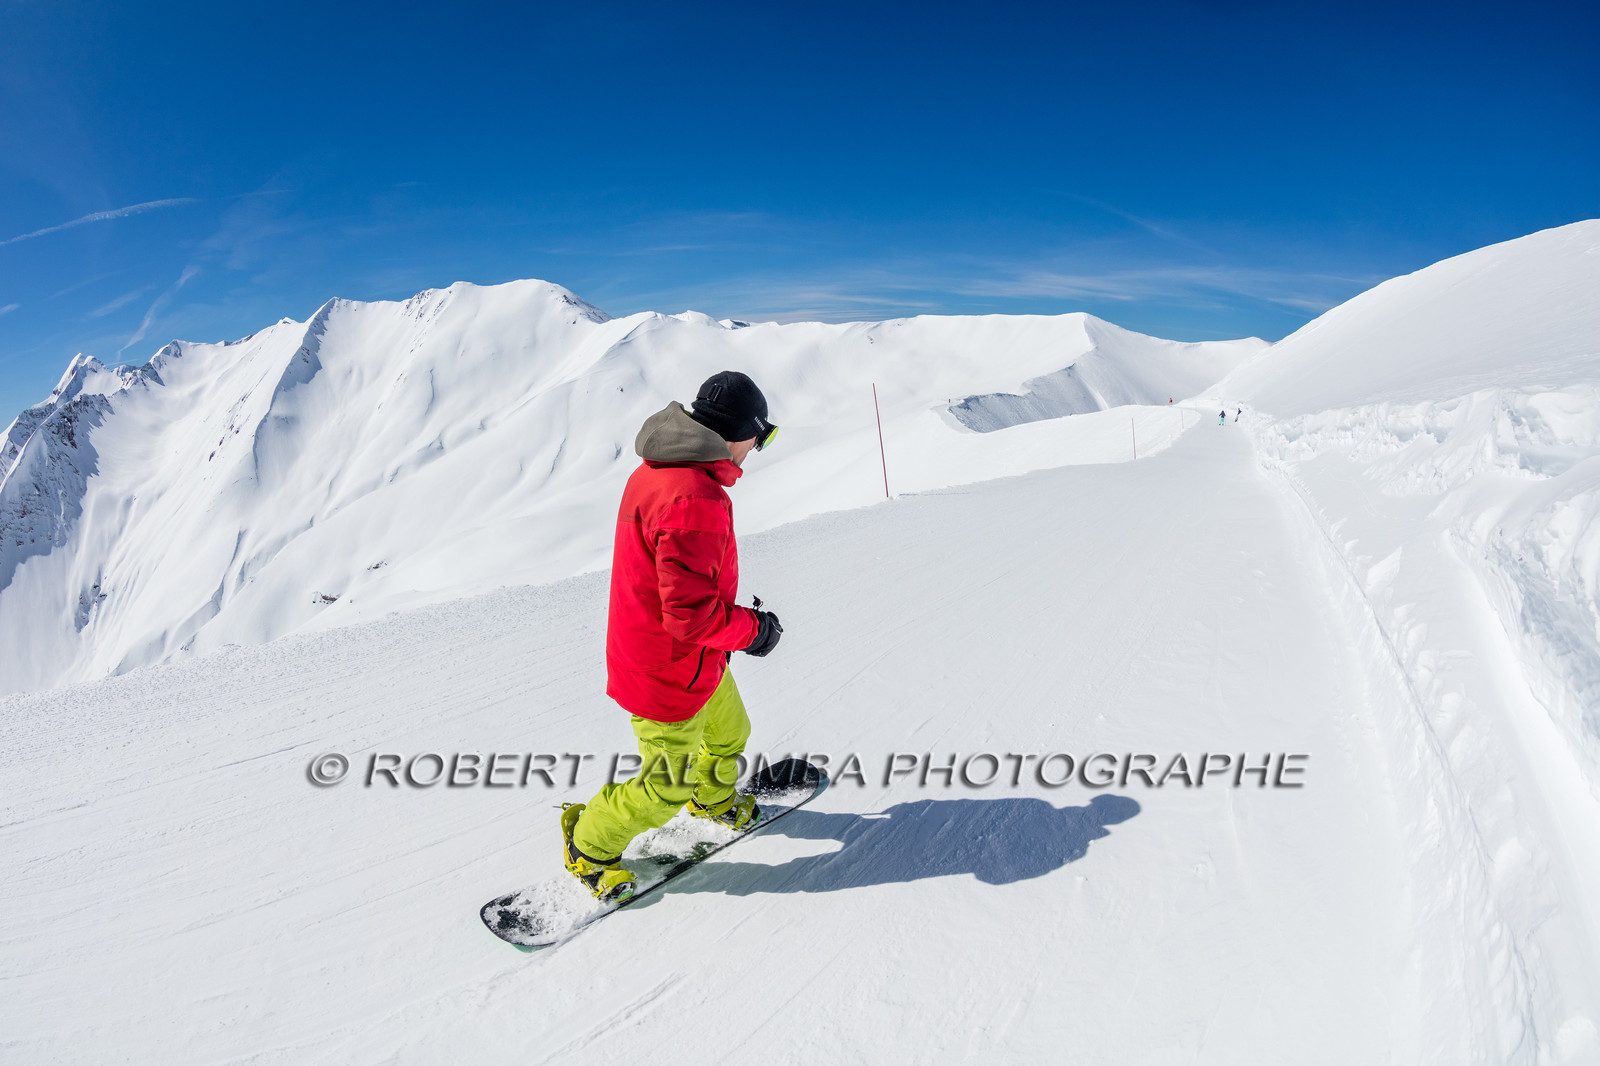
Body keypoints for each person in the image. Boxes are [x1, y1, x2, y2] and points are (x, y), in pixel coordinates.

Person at [560, 371, 784, 902]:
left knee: (730, 733)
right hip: (668, 669)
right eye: (764, 435)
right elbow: (690, 616)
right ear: (740, 432)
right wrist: (754, 631)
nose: (759, 446)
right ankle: (588, 844)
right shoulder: (694, 499)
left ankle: (711, 799)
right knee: (665, 786)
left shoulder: (661, 470)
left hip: (690, 659)